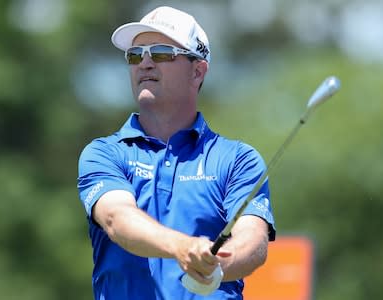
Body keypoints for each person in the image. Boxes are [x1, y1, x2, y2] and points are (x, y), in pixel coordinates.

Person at [77, 6, 276, 300]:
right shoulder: (104, 153)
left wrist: (217, 265)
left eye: (160, 52)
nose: (144, 63)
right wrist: (183, 248)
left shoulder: (238, 159)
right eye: (135, 55)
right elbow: (117, 219)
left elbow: (253, 240)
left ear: (197, 71)